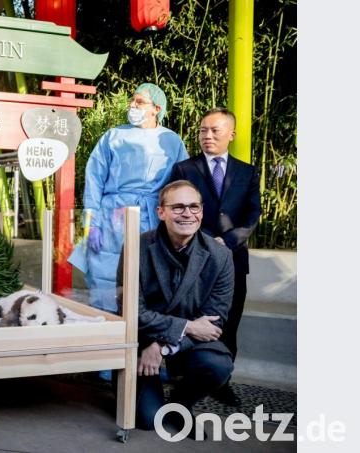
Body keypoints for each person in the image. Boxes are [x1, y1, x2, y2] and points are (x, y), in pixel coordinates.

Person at [119, 180, 234, 432]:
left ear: (202, 212)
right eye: (178, 207)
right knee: (149, 421)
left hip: (179, 344)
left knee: (218, 365)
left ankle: (181, 403)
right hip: (142, 340)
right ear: (161, 212)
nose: (187, 214)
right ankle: (147, 391)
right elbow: (132, 312)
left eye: (194, 207)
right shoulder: (136, 247)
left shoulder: (220, 255)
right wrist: (186, 326)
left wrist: (161, 346)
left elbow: (214, 323)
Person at [168, 107, 261, 406]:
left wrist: (228, 240)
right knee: (191, 318)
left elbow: (253, 214)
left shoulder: (247, 171)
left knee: (229, 323)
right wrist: (203, 242)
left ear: (231, 135)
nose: (207, 136)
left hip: (234, 260)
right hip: (191, 259)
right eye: (203, 130)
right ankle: (185, 379)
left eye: (215, 131)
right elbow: (176, 210)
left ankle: (222, 381)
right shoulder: (184, 169)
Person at [76, 83, 188, 313]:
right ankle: (105, 326)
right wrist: (91, 222)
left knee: (148, 274)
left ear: (156, 108)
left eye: (139, 101)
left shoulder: (172, 140)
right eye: (132, 100)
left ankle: (145, 332)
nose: (132, 105)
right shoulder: (114, 136)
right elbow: (94, 178)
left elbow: (182, 183)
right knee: (104, 272)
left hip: (152, 217)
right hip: (110, 216)